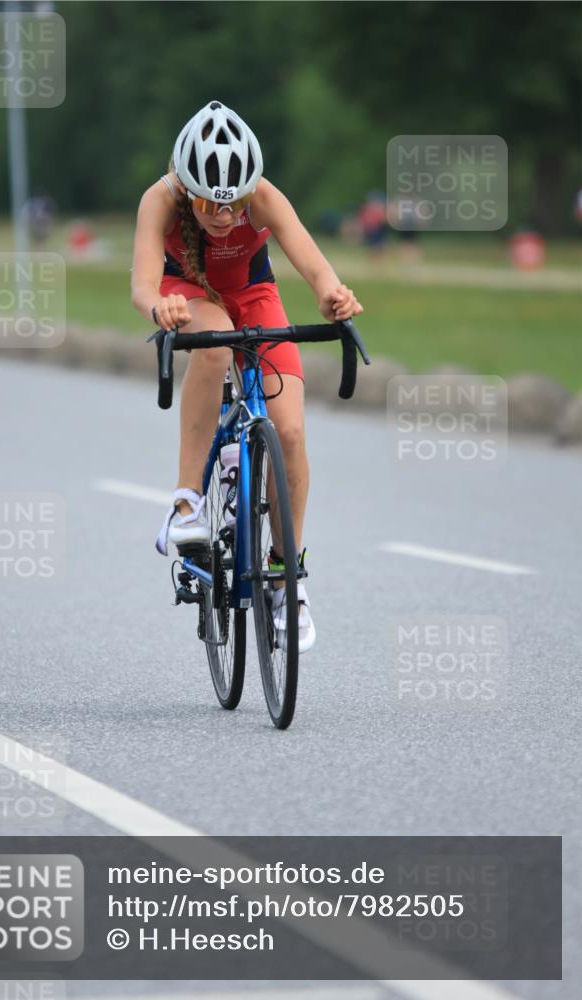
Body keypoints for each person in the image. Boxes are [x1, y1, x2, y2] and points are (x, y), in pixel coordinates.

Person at [131, 101, 362, 652]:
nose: (224, 214)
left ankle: (286, 576)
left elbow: (313, 263)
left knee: (291, 433)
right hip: (189, 296)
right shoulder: (160, 199)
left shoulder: (262, 196)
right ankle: (187, 503)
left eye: (234, 203)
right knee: (214, 345)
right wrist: (159, 308)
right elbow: (142, 284)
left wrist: (333, 296)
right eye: (210, 203)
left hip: (255, 295)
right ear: (188, 188)